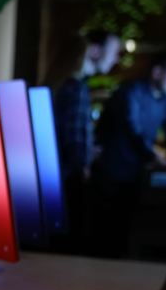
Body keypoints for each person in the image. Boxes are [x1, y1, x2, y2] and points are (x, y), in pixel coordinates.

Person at [91, 51, 166, 258]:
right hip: (110, 173)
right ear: (157, 72)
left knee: (124, 236)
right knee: (104, 236)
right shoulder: (130, 92)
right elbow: (134, 132)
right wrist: (158, 160)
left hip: (134, 174)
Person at [46, 29, 121, 253]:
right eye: (114, 51)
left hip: (52, 180)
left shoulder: (57, 85)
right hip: (70, 181)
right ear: (94, 51)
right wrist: (85, 161)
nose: (117, 58)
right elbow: (75, 141)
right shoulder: (76, 87)